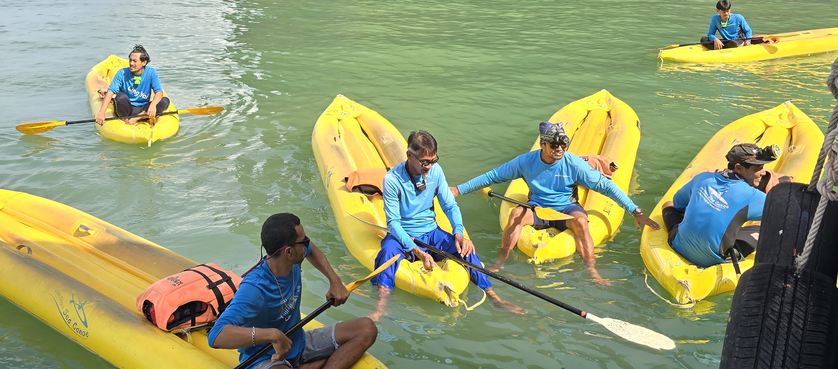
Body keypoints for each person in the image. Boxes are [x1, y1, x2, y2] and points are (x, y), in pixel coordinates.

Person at [452, 122, 659, 284]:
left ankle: (591, 270)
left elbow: (605, 186)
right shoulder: (525, 162)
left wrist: (635, 210)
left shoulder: (574, 164)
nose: (559, 149)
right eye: (554, 145)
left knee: (581, 221)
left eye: (563, 144)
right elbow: (493, 176)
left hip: (566, 208)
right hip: (538, 208)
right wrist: (459, 189)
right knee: (516, 215)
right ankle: (500, 261)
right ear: (543, 145)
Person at [370, 131, 525, 319]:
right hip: (403, 234)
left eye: (433, 160)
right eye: (424, 162)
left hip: (431, 232)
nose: (429, 166)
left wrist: (459, 232)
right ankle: (381, 306)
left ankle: (494, 298)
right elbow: (393, 223)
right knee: (386, 253)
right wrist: (418, 252)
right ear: (409, 155)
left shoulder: (436, 171)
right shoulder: (393, 180)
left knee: (466, 249)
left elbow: (449, 205)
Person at [210, 213, 377, 369]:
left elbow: (311, 248)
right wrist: (273, 335)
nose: (307, 244)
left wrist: (335, 280)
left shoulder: (293, 260)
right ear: (288, 252)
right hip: (267, 358)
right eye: (302, 242)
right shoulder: (254, 289)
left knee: (367, 328)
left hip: (299, 343)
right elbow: (216, 335)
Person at [662, 143, 779, 267]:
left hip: (678, 245)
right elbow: (784, 217)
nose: (763, 173)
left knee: (668, 204)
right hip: (714, 260)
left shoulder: (703, 178)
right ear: (738, 168)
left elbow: (678, 203)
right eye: (758, 168)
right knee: (762, 228)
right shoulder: (753, 196)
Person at [95, 45, 170, 126]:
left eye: (135, 61)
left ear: (144, 62)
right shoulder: (122, 73)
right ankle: (125, 120)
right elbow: (110, 91)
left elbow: (159, 91)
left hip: (143, 108)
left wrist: (153, 104)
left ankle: (137, 118)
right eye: (130, 60)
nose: (131, 63)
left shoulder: (151, 72)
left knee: (165, 101)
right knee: (121, 97)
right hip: (126, 108)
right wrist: (102, 113)